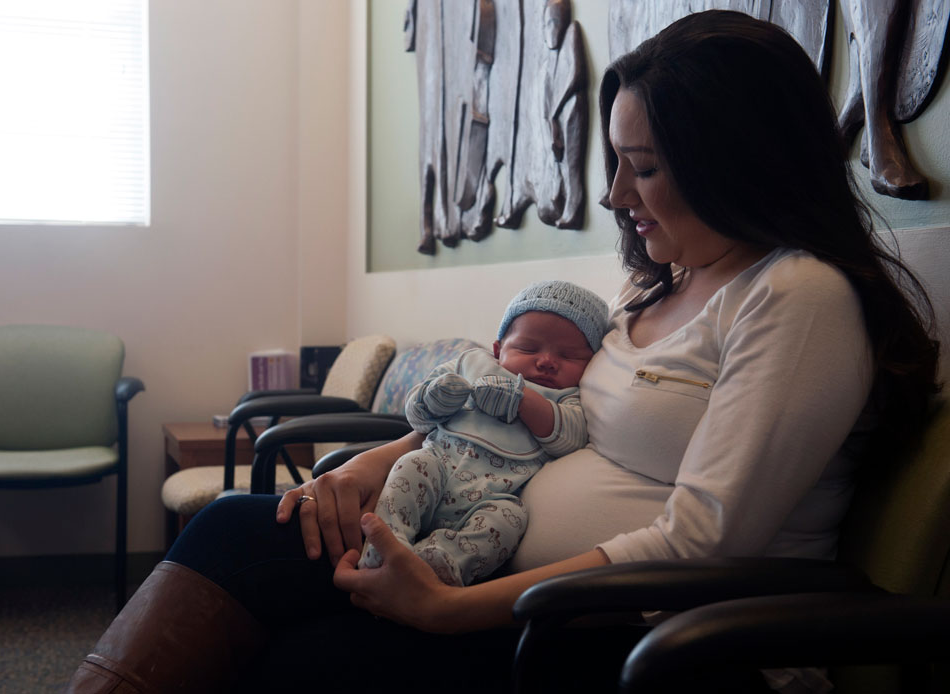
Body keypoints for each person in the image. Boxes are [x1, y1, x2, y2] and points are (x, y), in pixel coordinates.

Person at [65, 10, 940, 694]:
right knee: (232, 529)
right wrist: (376, 465)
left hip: (657, 641)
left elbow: (701, 541)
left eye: (644, 166)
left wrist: (446, 610)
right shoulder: (660, 286)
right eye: (616, 161)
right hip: (495, 559)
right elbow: (547, 415)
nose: (615, 193)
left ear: (736, 163)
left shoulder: (797, 297)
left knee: (303, 666)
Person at [357, 280, 608, 586]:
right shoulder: (470, 363)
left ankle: (437, 563)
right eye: (528, 348)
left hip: (496, 497)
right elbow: (416, 416)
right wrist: (433, 398)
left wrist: (524, 401)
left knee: (509, 521)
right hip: (437, 465)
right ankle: (385, 547)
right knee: (409, 466)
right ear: (498, 349)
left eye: (569, 356)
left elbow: (569, 438)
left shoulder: (566, 397)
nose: (546, 362)